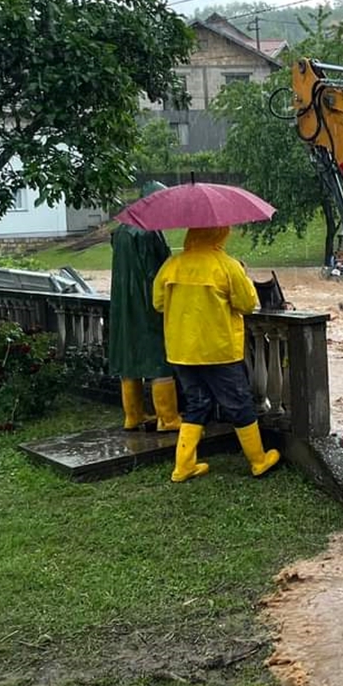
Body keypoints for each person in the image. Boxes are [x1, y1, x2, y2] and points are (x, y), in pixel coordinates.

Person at [152, 226, 279, 483]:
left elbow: (158, 303)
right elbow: (246, 305)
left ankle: (183, 465)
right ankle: (258, 460)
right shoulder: (226, 265)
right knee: (239, 403)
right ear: (220, 234)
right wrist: (242, 274)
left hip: (182, 352)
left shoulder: (172, 265)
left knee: (196, 403)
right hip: (219, 351)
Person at [109, 183, 180, 432]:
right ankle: (168, 418)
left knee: (130, 358)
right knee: (158, 359)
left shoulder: (120, 231)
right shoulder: (150, 231)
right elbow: (160, 270)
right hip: (146, 303)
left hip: (122, 304)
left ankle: (133, 416)